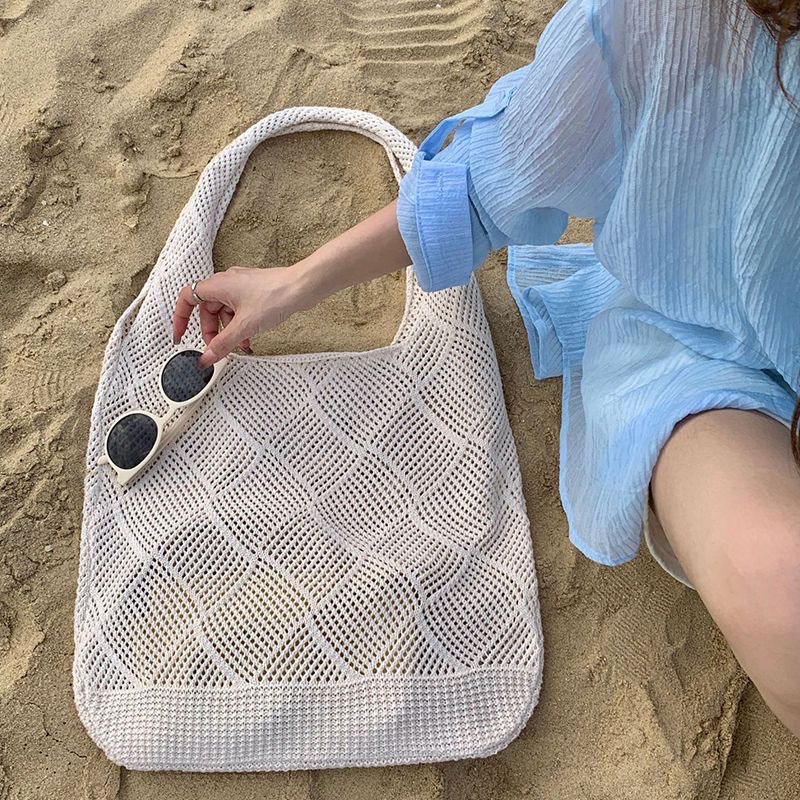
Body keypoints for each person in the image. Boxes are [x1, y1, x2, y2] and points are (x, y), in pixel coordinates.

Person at [172, 0, 800, 737]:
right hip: (713, 353)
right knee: (778, 590)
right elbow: (492, 179)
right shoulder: (668, 16)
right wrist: (296, 283)